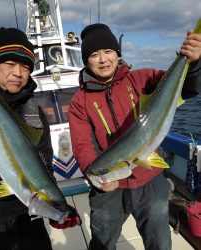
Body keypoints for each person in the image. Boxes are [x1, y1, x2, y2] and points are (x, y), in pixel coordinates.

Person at [68, 23, 201, 250]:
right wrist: (97, 176)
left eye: (108, 51)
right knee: (102, 241)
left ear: (117, 54)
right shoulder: (79, 102)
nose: (103, 59)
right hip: (109, 187)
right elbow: (82, 145)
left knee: (159, 241)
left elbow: (188, 88)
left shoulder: (143, 79)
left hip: (150, 180)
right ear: (86, 61)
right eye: (94, 54)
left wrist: (193, 62)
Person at [0, 27, 80, 250]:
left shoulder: (35, 113)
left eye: (26, 67)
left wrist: (56, 210)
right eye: (10, 64)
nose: (18, 73)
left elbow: (44, 166)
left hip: (21, 222)